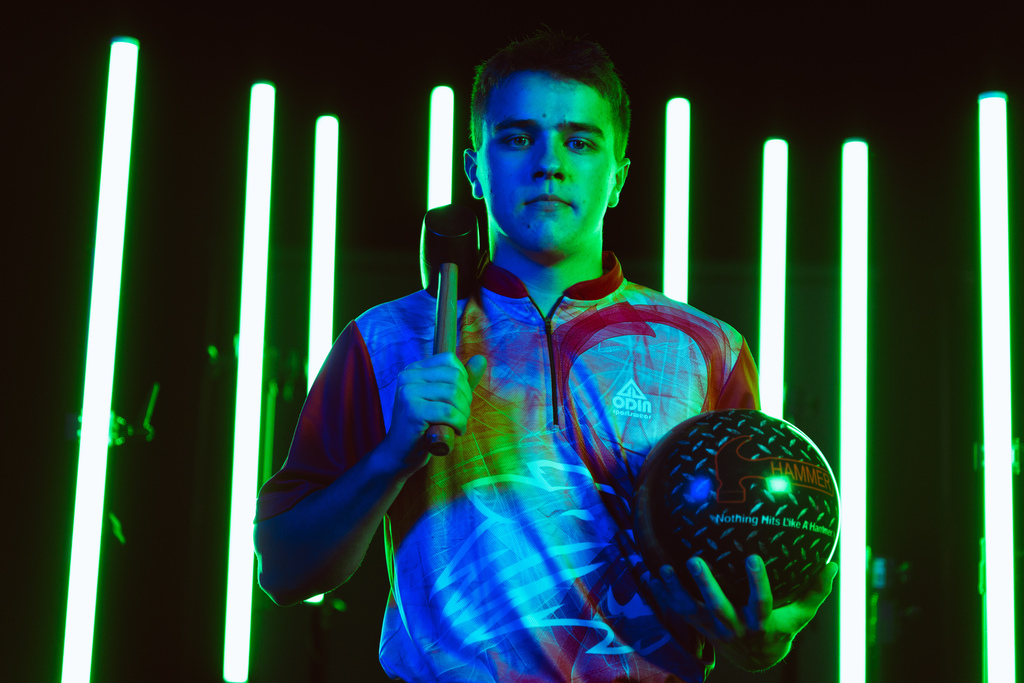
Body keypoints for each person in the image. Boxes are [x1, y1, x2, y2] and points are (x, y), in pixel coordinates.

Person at [254, 29, 837, 682]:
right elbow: (283, 570)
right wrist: (394, 454)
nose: (548, 162)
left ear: (617, 176)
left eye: (580, 141)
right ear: (475, 166)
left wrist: (761, 644)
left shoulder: (707, 348)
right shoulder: (388, 338)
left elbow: (745, 583)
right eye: (516, 136)